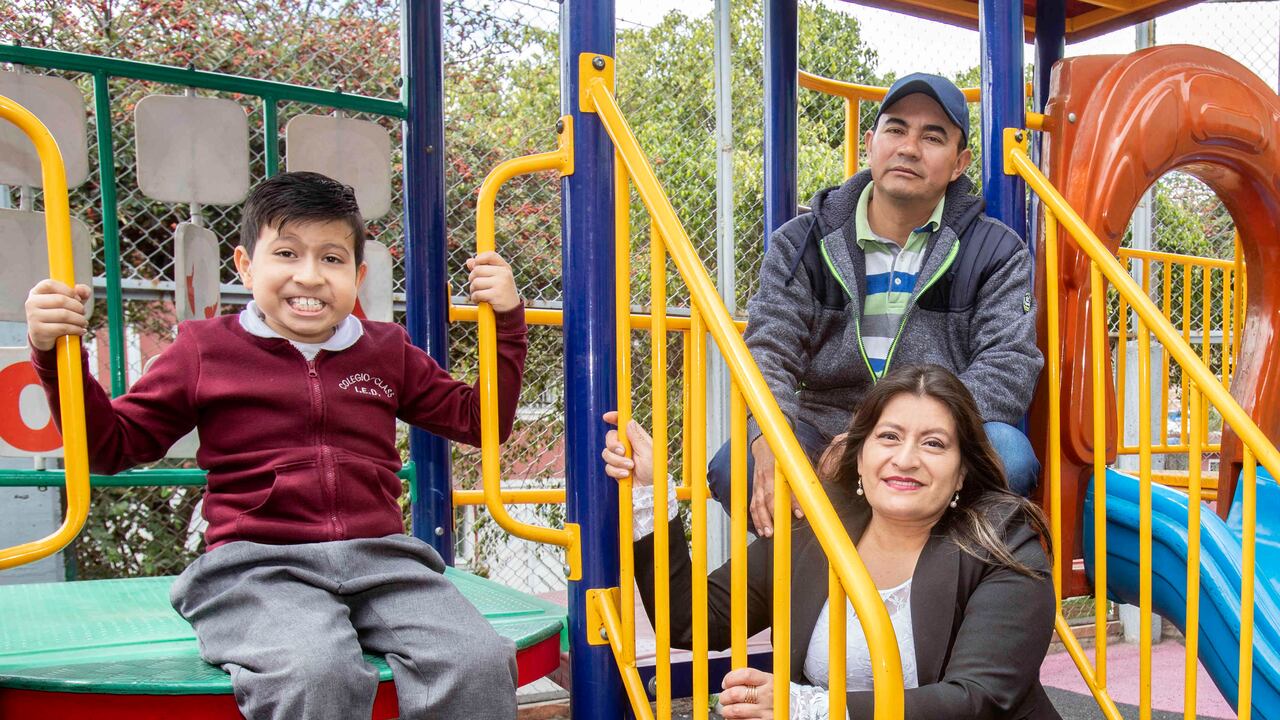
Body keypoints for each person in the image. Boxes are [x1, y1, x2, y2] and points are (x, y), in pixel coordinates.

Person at [25, 171, 525, 720]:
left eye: (332, 259)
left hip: (382, 560)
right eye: (286, 253)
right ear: (245, 265)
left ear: (358, 275)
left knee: (475, 659)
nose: (309, 277)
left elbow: (482, 422)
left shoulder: (387, 350)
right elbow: (112, 447)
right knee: (314, 670)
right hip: (258, 566)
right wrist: (55, 356)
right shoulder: (204, 350)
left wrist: (505, 322)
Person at [603, 364, 1059, 719]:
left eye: (934, 444)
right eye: (889, 437)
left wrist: (811, 709)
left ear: (962, 470)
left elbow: (977, 700)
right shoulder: (819, 527)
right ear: (860, 456)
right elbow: (689, 621)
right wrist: (651, 493)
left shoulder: (1003, 543)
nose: (906, 459)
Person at [709, 73, 1043, 537]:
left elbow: (1009, 364)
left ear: (959, 162)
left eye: (932, 136)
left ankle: (935, 595)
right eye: (896, 129)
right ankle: (818, 598)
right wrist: (768, 434)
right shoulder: (803, 241)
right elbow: (769, 349)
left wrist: (886, 435)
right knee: (738, 465)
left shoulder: (995, 250)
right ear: (871, 142)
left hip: (934, 432)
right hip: (826, 425)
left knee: (1009, 455)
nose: (909, 147)